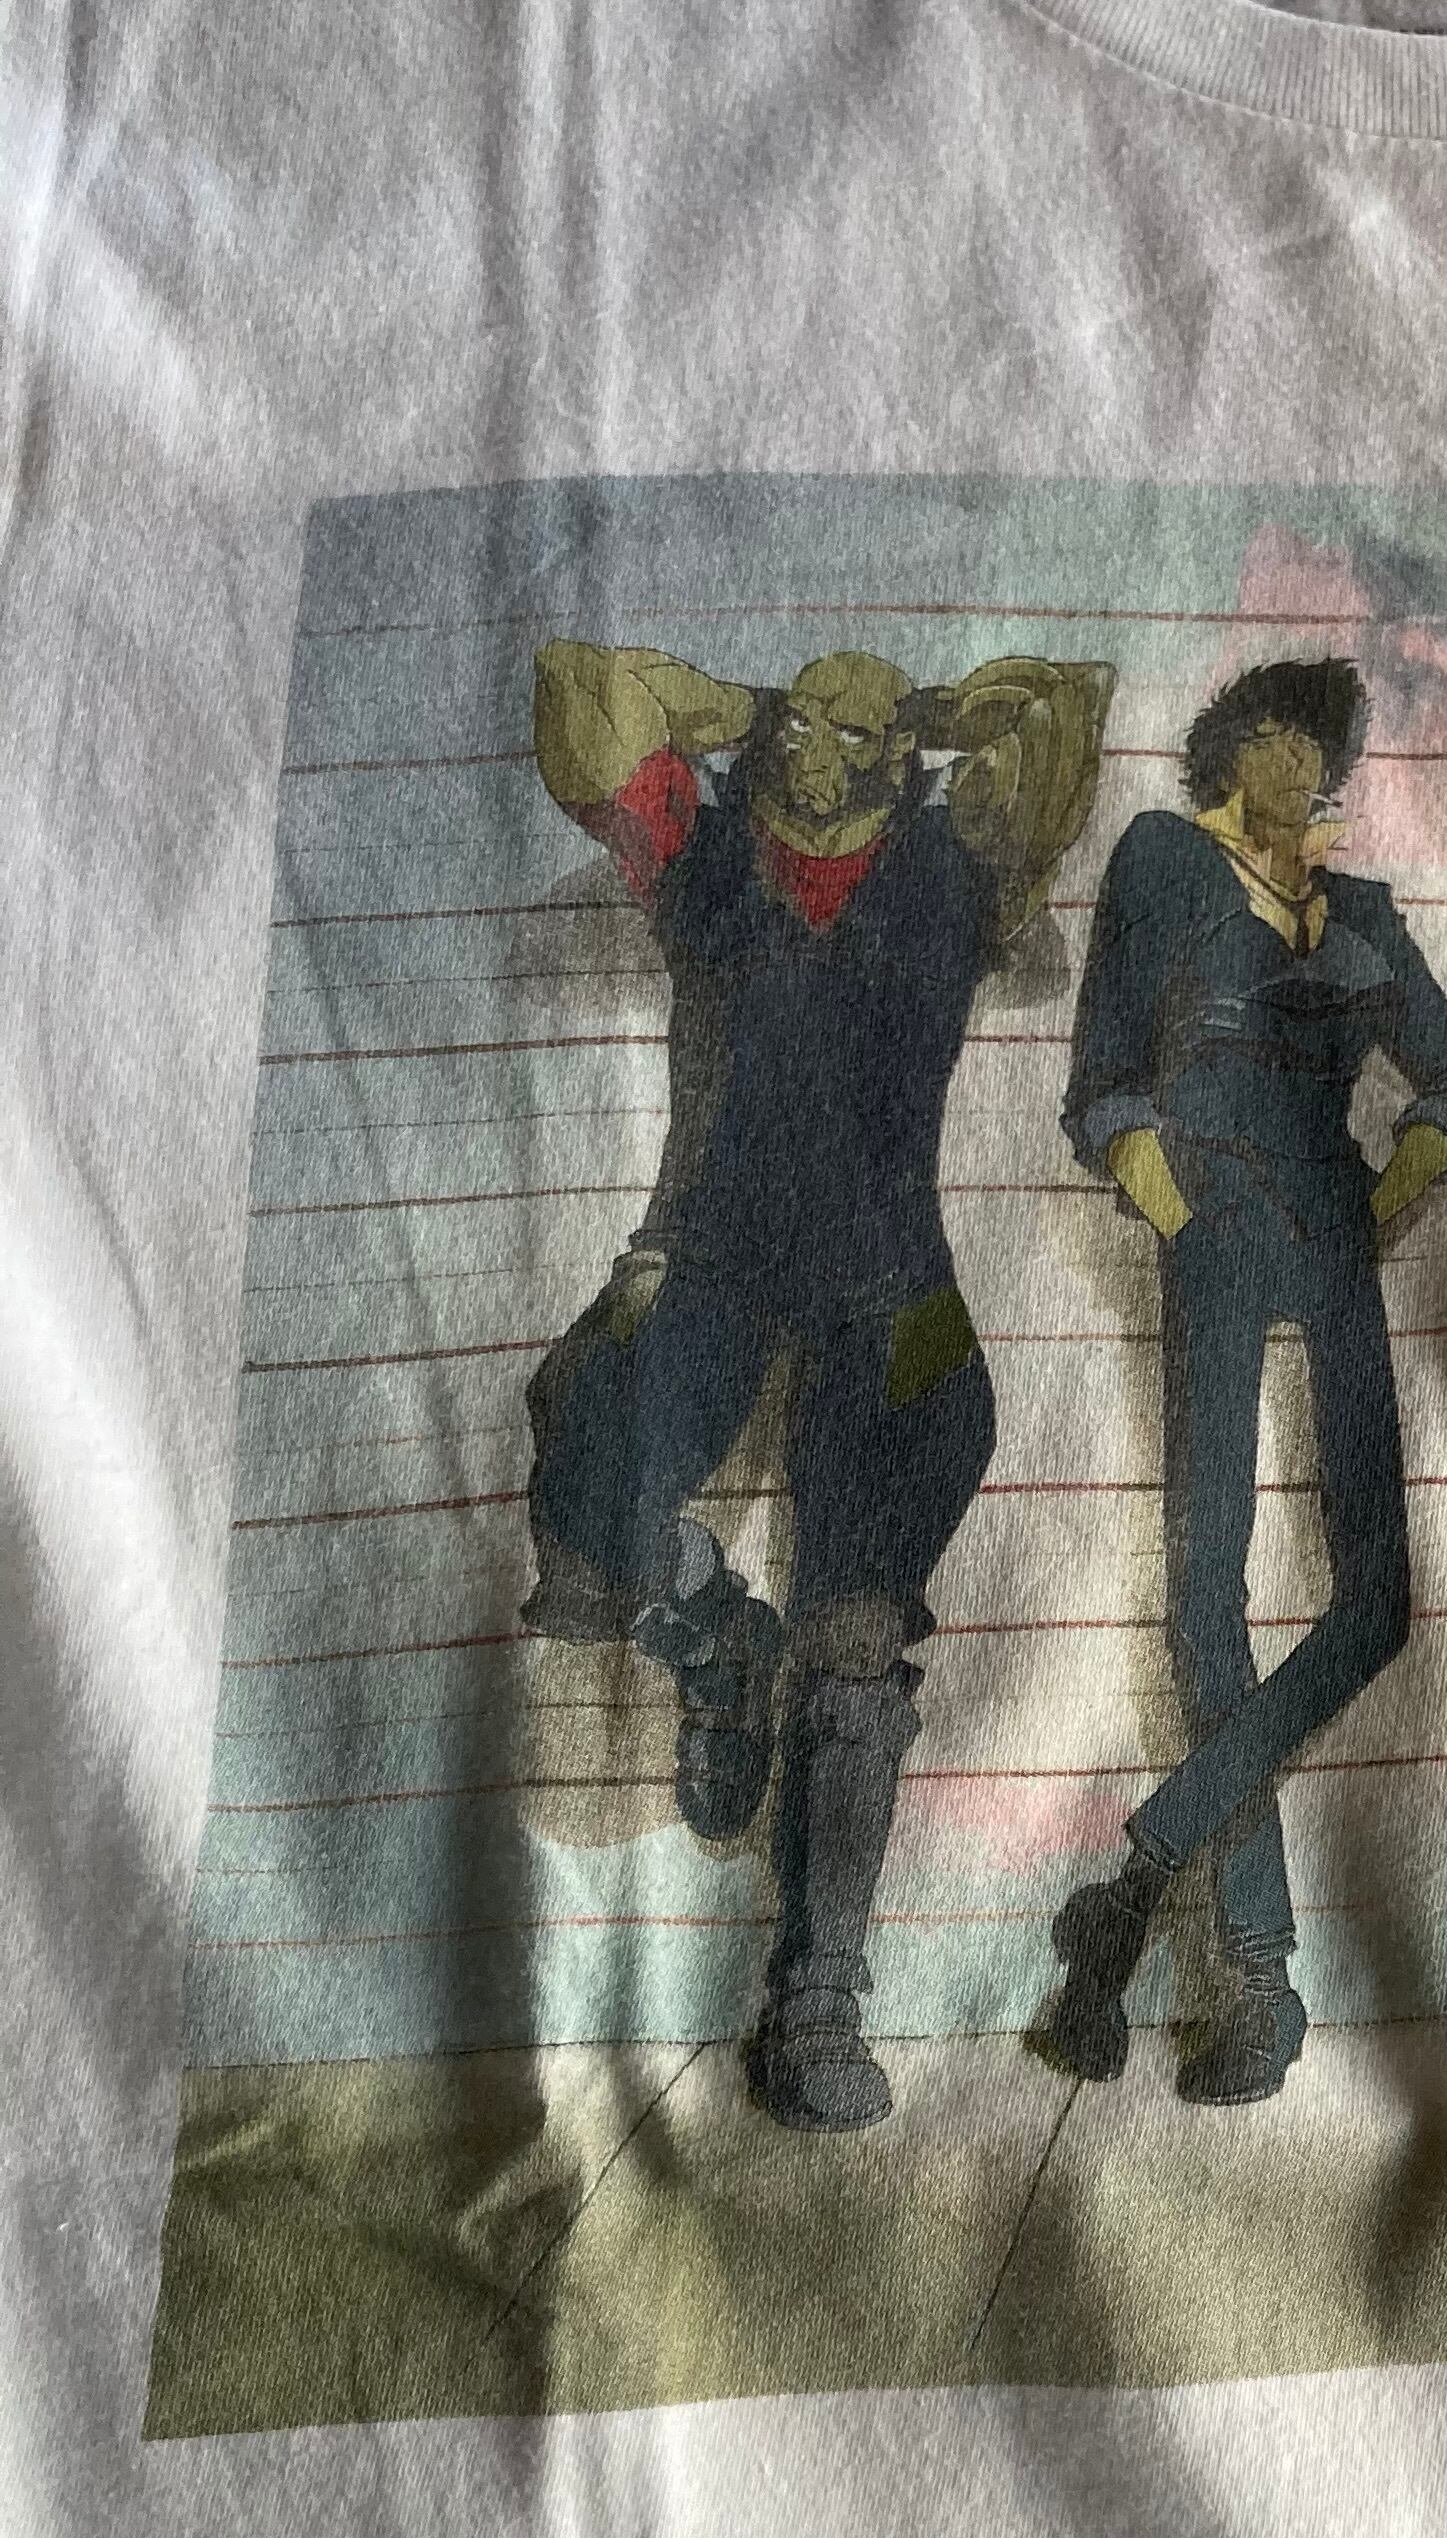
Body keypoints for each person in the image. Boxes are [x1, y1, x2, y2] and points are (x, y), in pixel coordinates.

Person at [520, 639, 1115, 2131]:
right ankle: (720, 1635)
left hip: (892, 1293)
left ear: (894, 755)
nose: (813, 744)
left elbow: (1068, 715)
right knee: (582, 1488)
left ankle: (820, 1999)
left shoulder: (956, 865)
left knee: (859, 1644)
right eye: (804, 721)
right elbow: (575, 692)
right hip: (708, 1260)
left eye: (852, 729)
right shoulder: (703, 844)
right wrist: (752, 710)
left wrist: (922, 713)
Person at [1044, 657, 1447, 2105]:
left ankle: (1140, 1869)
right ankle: (1259, 1979)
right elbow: (1105, 1081)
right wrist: (1180, 1216)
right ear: (1226, 749)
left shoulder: (1360, 912)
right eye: (1276, 737)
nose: (1302, 765)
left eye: (1322, 747)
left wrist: (1388, 1194)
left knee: (1377, 1608)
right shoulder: (1163, 859)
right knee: (1208, 1597)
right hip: (1212, 1236)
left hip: (1334, 1239)